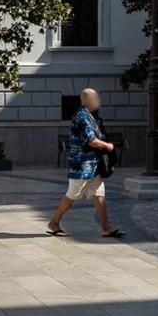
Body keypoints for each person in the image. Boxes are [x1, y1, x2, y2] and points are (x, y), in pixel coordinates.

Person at [47, 88, 122, 239]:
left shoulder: (89, 116)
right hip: (82, 166)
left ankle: (106, 227)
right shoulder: (82, 117)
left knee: (99, 193)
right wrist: (108, 146)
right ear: (88, 100)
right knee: (72, 195)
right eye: (95, 98)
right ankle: (54, 223)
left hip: (92, 166)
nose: (98, 101)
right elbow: (91, 141)